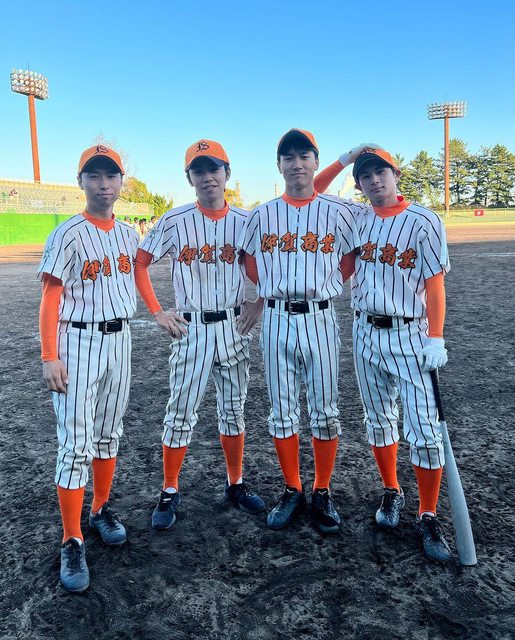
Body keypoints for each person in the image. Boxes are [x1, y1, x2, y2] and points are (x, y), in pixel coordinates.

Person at [314, 146, 452, 562]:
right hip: (365, 331)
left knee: (424, 430)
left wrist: (436, 337)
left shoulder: (424, 220)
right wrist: (345, 158)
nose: (374, 180)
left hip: (410, 334)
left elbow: (435, 283)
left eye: (381, 172)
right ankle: (392, 490)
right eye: (366, 175)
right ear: (359, 185)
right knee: (378, 421)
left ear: (396, 174)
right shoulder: (357, 217)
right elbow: (313, 189)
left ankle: (428, 513)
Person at [135, 139, 265, 530]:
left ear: (227, 173)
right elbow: (140, 263)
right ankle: (169, 489)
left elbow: (266, 267)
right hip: (190, 328)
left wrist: (259, 302)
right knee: (180, 411)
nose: (207, 177)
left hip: (233, 326)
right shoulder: (174, 220)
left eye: (214, 169)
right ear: (189, 177)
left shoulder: (246, 220)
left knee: (234, 409)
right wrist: (157, 312)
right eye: (199, 170)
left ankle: (235, 483)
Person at [240, 129, 363, 533]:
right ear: (279, 165)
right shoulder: (261, 214)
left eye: (304, 156)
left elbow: (350, 257)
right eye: (289, 157)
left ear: (315, 161)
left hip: (320, 318)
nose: (297, 164)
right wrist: (264, 291)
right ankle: (292, 488)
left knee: (325, 410)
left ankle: (321, 489)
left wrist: (331, 283)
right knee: (282, 410)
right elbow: (249, 260)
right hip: (276, 318)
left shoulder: (339, 211)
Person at [37, 145, 139, 592]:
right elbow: (50, 298)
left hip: (120, 340)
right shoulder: (67, 234)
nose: (103, 184)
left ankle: (99, 510)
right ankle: (71, 537)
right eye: (94, 176)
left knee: (108, 434)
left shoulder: (129, 234)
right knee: (75, 443)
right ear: (81, 182)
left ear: (120, 182)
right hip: (77, 342)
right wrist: (49, 355)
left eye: (110, 176)